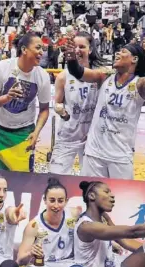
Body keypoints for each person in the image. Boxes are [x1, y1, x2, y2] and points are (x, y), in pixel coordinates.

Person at [65, 35, 145, 180]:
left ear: (134, 59)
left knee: (120, 199)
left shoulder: (140, 84)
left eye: (123, 51)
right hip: (94, 153)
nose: (117, 53)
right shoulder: (104, 76)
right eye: (118, 51)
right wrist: (70, 57)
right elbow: (78, 72)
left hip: (120, 156)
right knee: (91, 197)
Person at [0, 33, 51, 172]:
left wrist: (36, 132)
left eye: (43, 49)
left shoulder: (43, 76)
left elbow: (44, 109)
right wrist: (7, 98)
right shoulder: (2, 67)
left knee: (23, 180)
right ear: (24, 49)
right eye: (38, 48)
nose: (41, 52)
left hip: (24, 133)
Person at [50, 32, 106, 175]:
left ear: (90, 49)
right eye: (75, 46)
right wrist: (61, 111)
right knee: (56, 177)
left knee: (90, 182)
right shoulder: (63, 77)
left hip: (91, 139)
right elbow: (57, 103)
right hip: (68, 135)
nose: (78, 50)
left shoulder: (99, 75)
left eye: (82, 46)